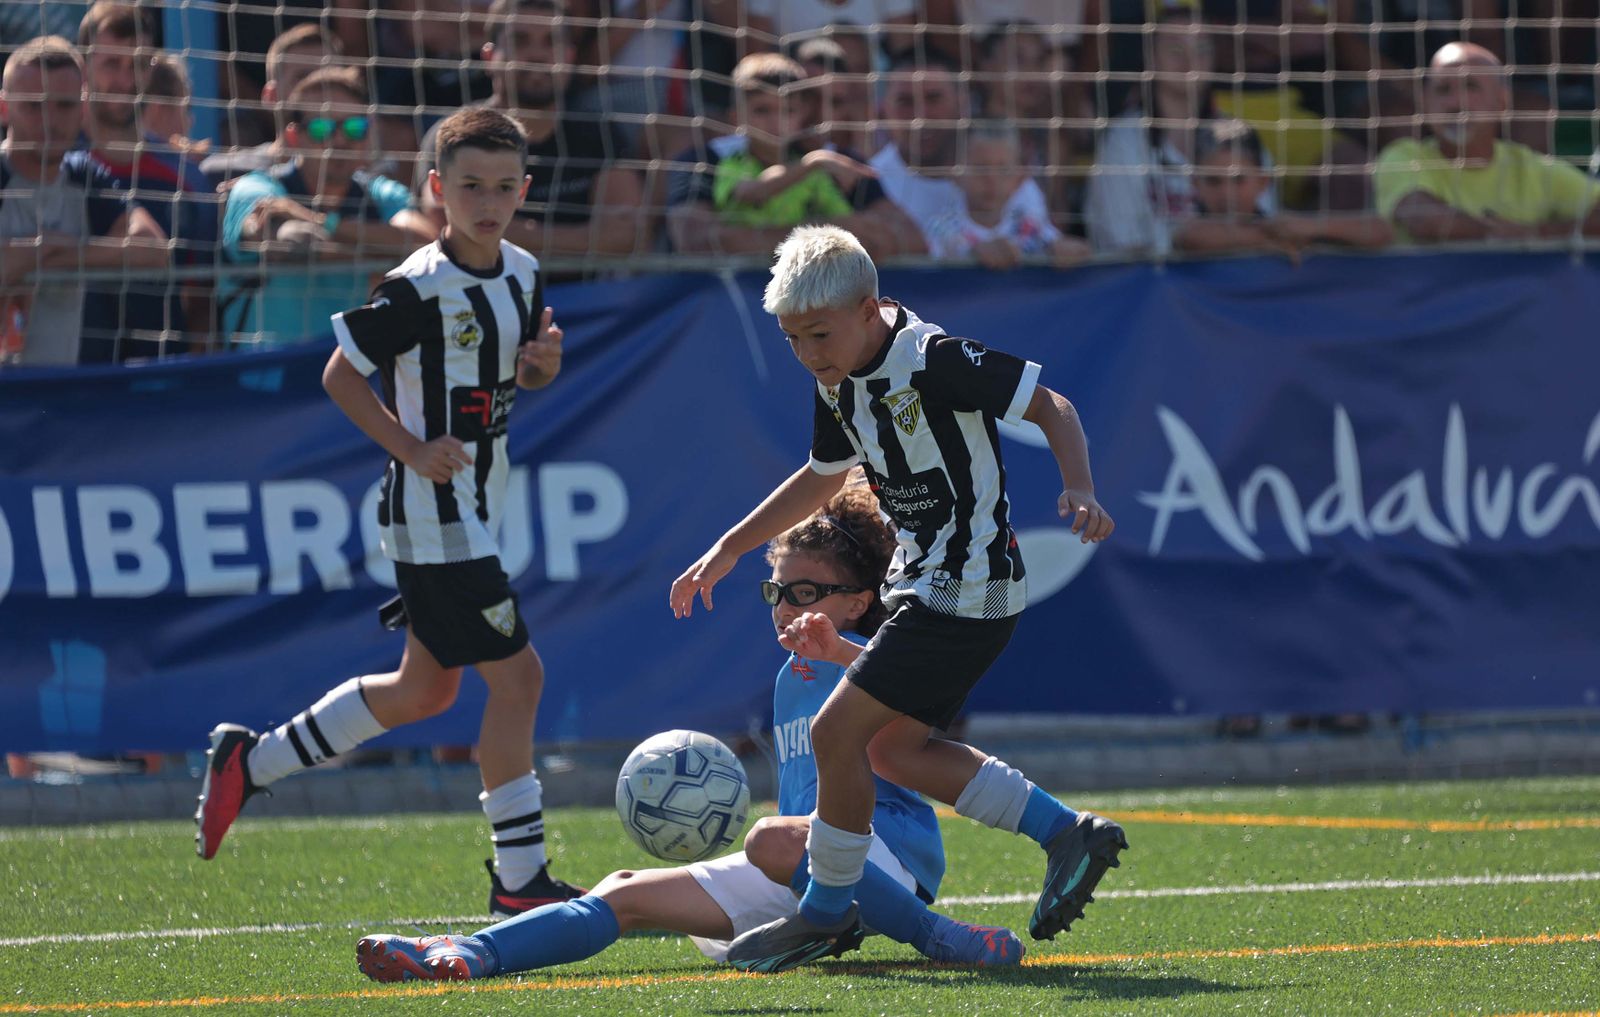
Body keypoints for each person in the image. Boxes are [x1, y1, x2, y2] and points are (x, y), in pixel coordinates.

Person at [669, 225, 1128, 972]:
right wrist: (730, 547)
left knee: (836, 733)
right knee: (892, 748)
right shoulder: (838, 377)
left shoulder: (933, 358)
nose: (808, 353)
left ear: (868, 309)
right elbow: (822, 476)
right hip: (927, 583)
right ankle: (1066, 832)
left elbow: (1053, 406)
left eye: (819, 334)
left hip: (964, 585)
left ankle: (825, 911)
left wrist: (1079, 486)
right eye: (792, 339)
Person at [353, 483, 1027, 982]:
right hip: (806, 870)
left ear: (858, 600)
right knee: (621, 889)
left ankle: (937, 934)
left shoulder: (876, 659)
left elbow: (918, 730)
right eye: (777, 591)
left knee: (773, 838)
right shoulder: (791, 678)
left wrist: (846, 656)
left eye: (806, 592)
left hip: (891, 863)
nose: (786, 606)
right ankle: (471, 951)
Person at [195, 107, 584, 919]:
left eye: (502, 187)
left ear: (524, 190)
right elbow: (340, 374)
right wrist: (410, 447)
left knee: (425, 691)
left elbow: (521, 377)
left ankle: (250, 763)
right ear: (436, 188)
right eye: (469, 185)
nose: (487, 201)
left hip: (478, 504)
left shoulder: (522, 272)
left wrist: (541, 367)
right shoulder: (416, 287)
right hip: (432, 513)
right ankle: (520, 878)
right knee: (521, 678)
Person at [217, 67, 436, 348]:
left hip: (357, 366)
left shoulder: (380, 192)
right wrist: (387, 254)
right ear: (293, 137)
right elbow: (295, 244)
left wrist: (320, 221)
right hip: (270, 368)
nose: (340, 140)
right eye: (322, 129)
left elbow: (425, 244)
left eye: (354, 128)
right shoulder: (256, 189)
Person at [416, 0, 649, 259]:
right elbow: (447, 222)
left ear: (569, 57)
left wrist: (498, 232)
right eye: (520, 40)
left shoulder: (600, 135)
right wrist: (585, 238)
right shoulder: (455, 134)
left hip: (583, 287)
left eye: (551, 42)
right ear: (490, 57)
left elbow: (627, 234)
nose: (537, 55)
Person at [0, 35, 167, 367]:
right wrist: (43, 250)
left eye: (64, 105)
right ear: (4, 108)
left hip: (64, 388)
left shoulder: (83, 176)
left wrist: (45, 255)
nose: (49, 121)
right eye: (33, 105)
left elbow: (153, 248)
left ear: (83, 107)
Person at [664, 53, 895, 256]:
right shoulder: (732, 163)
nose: (776, 121)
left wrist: (866, 233)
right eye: (762, 110)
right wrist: (813, 163)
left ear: (802, 116)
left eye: (787, 110)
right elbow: (752, 192)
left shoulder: (816, 174)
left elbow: (845, 223)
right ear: (737, 118)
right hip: (738, 280)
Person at [1372, 41, 1600, 243]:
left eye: (1471, 86)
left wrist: (1537, 233)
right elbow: (1424, 221)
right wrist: (1510, 237)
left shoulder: (1530, 167)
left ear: (1502, 102)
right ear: (1425, 103)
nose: (1456, 103)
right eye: (1443, 89)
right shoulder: (1404, 157)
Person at [1175, 119, 1391, 258]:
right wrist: (1271, 240)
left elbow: (1381, 232)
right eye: (1213, 181)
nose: (1226, 193)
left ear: (1263, 182)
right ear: (1195, 184)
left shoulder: (1288, 227)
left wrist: (1313, 227)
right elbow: (1192, 238)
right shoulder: (1187, 229)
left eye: (1238, 180)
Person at [924, 121, 1090, 269]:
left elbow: (1063, 246)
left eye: (1003, 170)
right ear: (956, 174)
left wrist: (1066, 250)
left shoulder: (1030, 227)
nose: (991, 180)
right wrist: (973, 255)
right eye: (980, 168)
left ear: (1020, 178)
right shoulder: (941, 229)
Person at [201, 23, 346, 184]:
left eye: (330, 79)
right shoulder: (222, 173)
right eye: (304, 78)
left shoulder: (365, 183)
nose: (321, 90)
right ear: (271, 96)